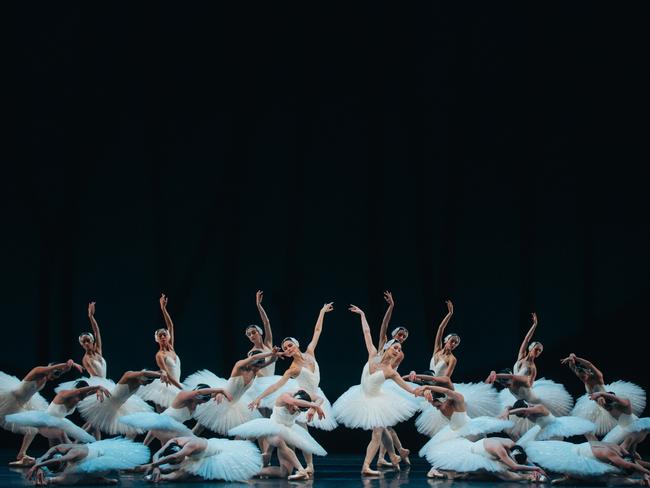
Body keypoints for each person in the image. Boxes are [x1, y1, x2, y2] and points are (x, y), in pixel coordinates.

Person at [332, 305, 423, 476]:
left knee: (379, 431)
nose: (398, 350)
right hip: (361, 394)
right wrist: (363, 315)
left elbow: (405, 386)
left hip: (375, 399)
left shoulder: (390, 371)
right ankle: (394, 455)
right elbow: (367, 332)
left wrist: (415, 391)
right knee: (382, 430)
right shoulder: (374, 354)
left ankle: (367, 465)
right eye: (395, 347)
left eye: (399, 349)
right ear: (387, 346)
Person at [248, 303, 336, 476]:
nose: (288, 349)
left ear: (296, 345)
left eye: (290, 345)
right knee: (302, 432)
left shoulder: (310, 353)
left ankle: (300, 465)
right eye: (286, 348)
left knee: (301, 433)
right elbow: (276, 385)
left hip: (315, 396)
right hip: (301, 398)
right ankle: (305, 465)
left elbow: (317, 331)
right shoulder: (293, 369)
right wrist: (259, 397)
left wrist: (321, 311)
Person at [486, 313, 573, 437]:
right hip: (516, 392)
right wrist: (534, 325)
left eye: (540, 351)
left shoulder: (532, 368)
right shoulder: (521, 357)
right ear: (531, 348)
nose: (538, 352)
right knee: (514, 429)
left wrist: (497, 375)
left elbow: (525, 381)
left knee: (546, 423)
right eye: (536, 349)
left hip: (528, 396)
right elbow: (526, 340)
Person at [417, 384, 513, 478]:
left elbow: (447, 391)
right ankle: (438, 469)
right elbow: (416, 392)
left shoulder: (458, 399)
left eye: (438, 405)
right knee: (462, 452)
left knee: (481, 452)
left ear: (444, 400)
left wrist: (428, 387)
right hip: (456, 430)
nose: (437, 408)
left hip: (469, 430)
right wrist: (425, 391)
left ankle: (507, 465)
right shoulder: (440, 402)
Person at [1, 360, 82, 466]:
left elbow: (59, 370)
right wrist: (70, 364)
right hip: (12, 399)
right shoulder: (38, 371)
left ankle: (21, 454)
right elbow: (54, 368)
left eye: (58, 374)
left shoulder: (45, 378)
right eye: (55, 373)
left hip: (26, 401)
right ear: (50, 368)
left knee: (34, 428)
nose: (56, 377)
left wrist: (66, 368)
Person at [230, 390, 327, 480]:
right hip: (273, 429)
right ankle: (301, 469)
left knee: (284, 473)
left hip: (289, 432)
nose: (296, 410)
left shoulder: (303, 396)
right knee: (278, 441)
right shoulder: (285, 397)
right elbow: (292, 401)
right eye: (297, 407)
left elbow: (320, 399)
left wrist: (313, 409)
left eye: (300, 410)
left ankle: (251, 472)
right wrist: (315, 406)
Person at [187, 349, 283, 435]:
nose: (257, 368)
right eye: (256, 364)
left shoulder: (255, 369)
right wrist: (270, 353)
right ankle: (184, 446)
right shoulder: (239, 366)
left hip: (235, 403)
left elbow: (272, 360)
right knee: (200, 427)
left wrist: (274, 355)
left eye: (259, 365)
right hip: (222, 398)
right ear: (251, 361)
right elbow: (253, 357)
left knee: (244, 430)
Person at [562, 353, 646, 437]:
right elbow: (572, 366)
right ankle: (634, 434)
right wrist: (571, 357)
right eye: (580, 377)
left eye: (583, 377)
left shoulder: (597, 377)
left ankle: (639, 428)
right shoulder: (583, 377)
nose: (582, 379)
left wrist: (576, 358)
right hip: (601, 405)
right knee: (622, 423)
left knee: (627, 420)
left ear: (587, 372)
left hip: (609, 401)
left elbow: (589, 364)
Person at [119, 385, 233, 446]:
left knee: (171, 447)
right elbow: (199, 393)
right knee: (167, 447)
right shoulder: (184, 396)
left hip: (173, 427)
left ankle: (158, 464)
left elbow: (206, 395)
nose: (202, 403)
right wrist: (221, 390)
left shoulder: (199, 400)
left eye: (204, 400)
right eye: (201, 400)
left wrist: (218, 394)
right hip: (164, 424)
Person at [6, 380, 110, 445]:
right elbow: (79, 392)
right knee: (63, 437)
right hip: (45, 423)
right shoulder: (64, 394)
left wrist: (98, 391)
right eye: (84, 393)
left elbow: (84, 392)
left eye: (86, 394)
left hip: (58, 424)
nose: (84, 396)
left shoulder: (79, 396)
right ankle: (72, 449)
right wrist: (98, 387)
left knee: (56, 451)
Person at [25, 438, 150, 485]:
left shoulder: (71, 454)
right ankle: (107, 481)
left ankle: (105, 480)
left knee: (70, 475)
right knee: (75, 471)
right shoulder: (66, 447)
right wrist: (39, 462)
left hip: (100, 459)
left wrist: (38, 465)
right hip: (92, 453)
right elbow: (52, 450)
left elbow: (63, 459)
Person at [77, 370, 165, 437]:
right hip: (108, 401)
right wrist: (160, 375)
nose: (145, 384)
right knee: (92, 425)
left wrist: (163, 372)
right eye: (146, 381)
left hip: (120, 405)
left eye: (148, 383)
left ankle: (94, 443)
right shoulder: (128, 375)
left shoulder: (140, 381)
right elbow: (144, 374)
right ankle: (77, 440)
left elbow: (157, 372)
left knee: (133, 428)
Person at [142, 435, 262, 483]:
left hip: (217, 455)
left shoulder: (190, 446)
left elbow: (174, 457)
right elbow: (156, 455)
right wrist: (156, 467)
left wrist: (153, 466)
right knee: (166, 466)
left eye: (179, 459)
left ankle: (162, 478)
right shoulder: (173, 442)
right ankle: (157, 474)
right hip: (200, 454)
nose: (179, 460)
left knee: (186, 471)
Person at [424, 436, 547, 481]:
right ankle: (435, 469)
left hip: (486, 454)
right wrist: (535, 468)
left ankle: (530, 475)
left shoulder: (512, 444)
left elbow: (522, 459)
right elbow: (514, 466)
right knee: (507, 474)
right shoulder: (500, 449)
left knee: (503, 470)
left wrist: (536, 467)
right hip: (472, 453)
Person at [138, 294, 183, 410]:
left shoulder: (172, 348)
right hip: (167, 388)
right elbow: (167, 374)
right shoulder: (160, 355)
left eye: (164, 334)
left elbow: (171, 325)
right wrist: (181, 387)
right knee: (164, 419)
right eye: (160, 335)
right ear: (157, 339)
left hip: (176, 385)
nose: (163, 337)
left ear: (168, 337)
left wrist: (163, 309)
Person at [504, 399, 596, 442]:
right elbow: (509, 407)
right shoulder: (526, 410)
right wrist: (506, 410)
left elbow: (524, 410)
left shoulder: (538, 408)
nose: (524, 418)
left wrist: (507, 413)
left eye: (523, 416)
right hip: (543, 429)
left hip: (554, 428)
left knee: (555, 448)